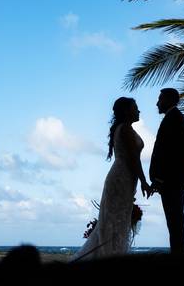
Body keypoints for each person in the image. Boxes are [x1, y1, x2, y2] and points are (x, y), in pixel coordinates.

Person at [72, 97, 151, 260]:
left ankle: (111, 256)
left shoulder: (123, 128)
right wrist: (144, 181)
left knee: (116, 221)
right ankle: (110, 257)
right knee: (115, 221)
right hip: (122, 177)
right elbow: (134, 158)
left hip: (124, 177)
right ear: (127, 111)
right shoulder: (126, 130)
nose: (139, 111)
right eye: (135, 108)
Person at [148, 88, 184, 253]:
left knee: (174, 220)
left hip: (172, 179)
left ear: (168, 100)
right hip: (175, 177)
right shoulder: (173, 117)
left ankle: (178, 255)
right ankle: (178, 253)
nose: (157, 103)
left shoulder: (173, 118)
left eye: (160, 99)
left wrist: (159, 179)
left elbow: (169, 153)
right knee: (175, 220)